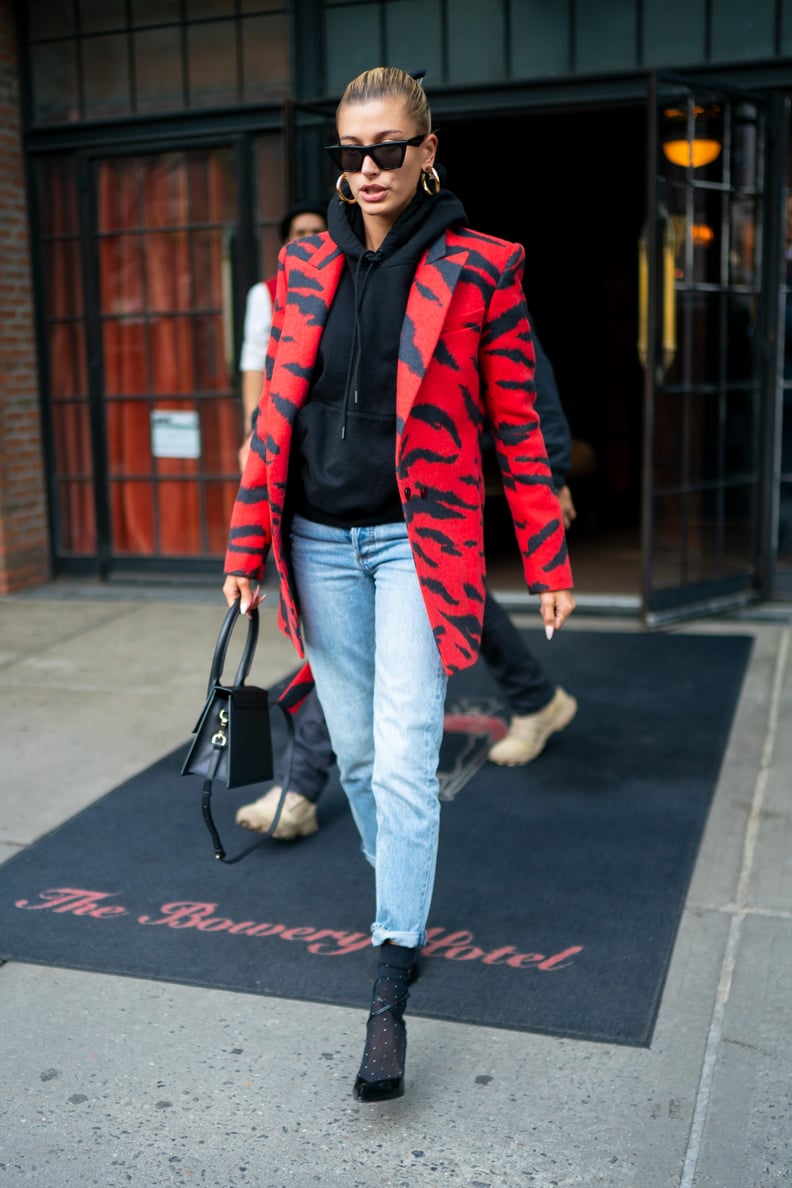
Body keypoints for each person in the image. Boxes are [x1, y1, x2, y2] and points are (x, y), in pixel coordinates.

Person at [222, 66, 575, 1104]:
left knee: (408, 763)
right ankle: (403, 908)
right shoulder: (300, 265)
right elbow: (272, 426)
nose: (367, 170)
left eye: (387, 149)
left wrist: (549, 558)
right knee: (366, 756)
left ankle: (388, 984)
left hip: (418, 545)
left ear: (427, 151)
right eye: (350, 152)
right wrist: (246, 550)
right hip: (320, 547)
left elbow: (515, 422)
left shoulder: (481, 269)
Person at [235, 323, 578, 842]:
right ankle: (536, 699)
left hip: (442, 482)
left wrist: (552, 479)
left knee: (370, 648)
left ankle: (300, 786)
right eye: (305, 233)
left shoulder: (471, 272)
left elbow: (530, 395)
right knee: (446, 607)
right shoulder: (326, 286)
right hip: (349, 504)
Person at [238, 202, 328, 472]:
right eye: (300, 232)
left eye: (317, 231)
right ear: (288, 241)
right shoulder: (264, 293)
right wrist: (251, 429)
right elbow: (254, 362)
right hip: (281, 410)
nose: (309, 238)